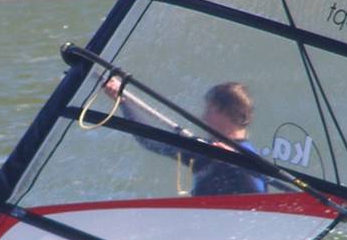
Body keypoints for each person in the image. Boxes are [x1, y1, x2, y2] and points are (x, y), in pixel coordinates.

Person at [102, 76, 267, 196]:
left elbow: (258, 199)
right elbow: (150, 141)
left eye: (209, 110)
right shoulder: (205, 151)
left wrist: (234, 163)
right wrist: (122, 101)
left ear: (228, 112)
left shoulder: (249, 158)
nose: (204, 117)